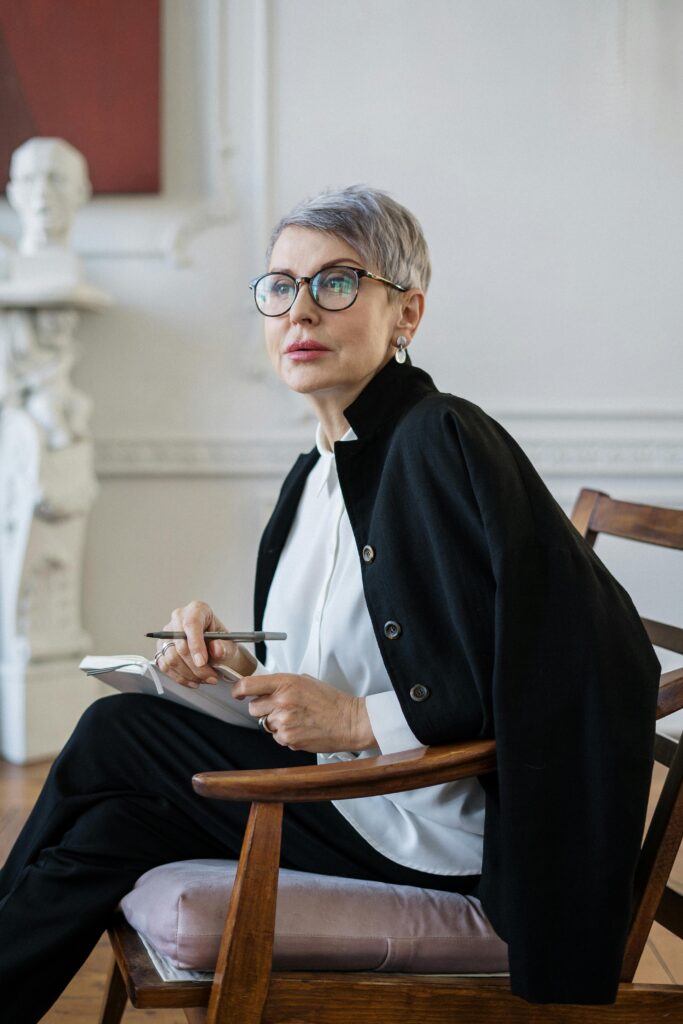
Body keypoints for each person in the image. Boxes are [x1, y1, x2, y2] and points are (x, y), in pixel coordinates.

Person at [0, 186, 659, 1018]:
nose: (299, 310)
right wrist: (235, 669)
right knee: (109, 831)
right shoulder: (315, 470)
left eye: (336, 282)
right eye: (279, 286)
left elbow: (572, 661)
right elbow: (347, 667)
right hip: (348, 795)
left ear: (405, 313)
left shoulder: (436, 436)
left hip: (427, 825)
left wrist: (356, 724)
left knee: (115, 731)